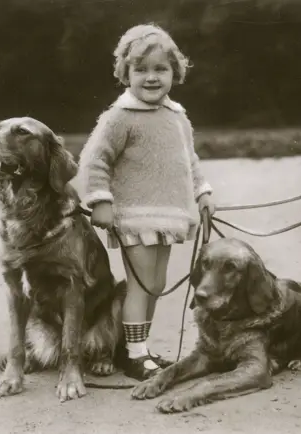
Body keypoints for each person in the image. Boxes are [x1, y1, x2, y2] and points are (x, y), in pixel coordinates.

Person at [78, 23, 216, 381]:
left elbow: (190, 161)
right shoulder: (119, 117)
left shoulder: (177, 117)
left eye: (160, 69)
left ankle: (138, 348)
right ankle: (134, 354)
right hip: (135, 216)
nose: (151, 78)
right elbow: (96, 161)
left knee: (156, 283)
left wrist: (202, 193)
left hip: (169, 215)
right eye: (141, 70)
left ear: (175, 72)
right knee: (140, 284)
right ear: (126, 74)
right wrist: (100, 201)